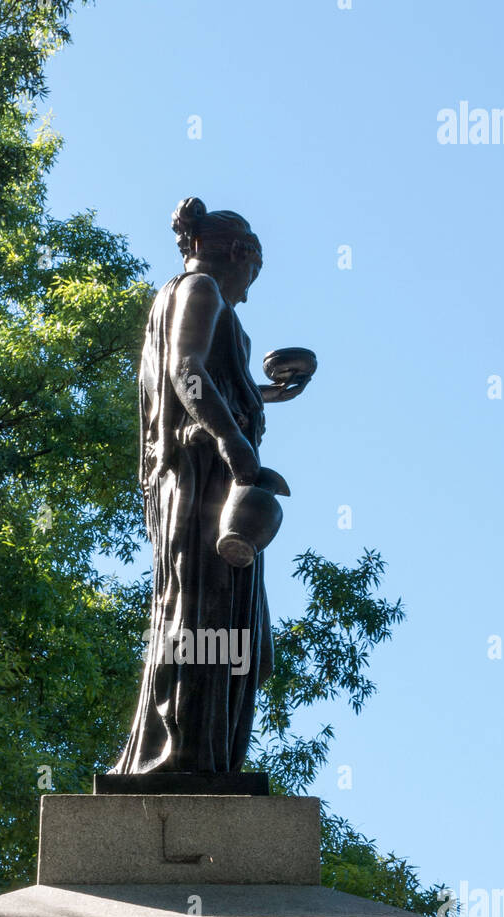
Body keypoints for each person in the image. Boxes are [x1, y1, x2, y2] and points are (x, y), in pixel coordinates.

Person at [111, 197, 310, 776]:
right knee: (203, 619)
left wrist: (270, 394)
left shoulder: (214, 303)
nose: (251, 285)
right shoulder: (199, 291)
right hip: (201, 484)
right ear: (238, 254)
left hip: (218, 485)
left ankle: (207, 755)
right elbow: (187, 371)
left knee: (238, 637)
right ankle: (185, 753)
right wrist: (233, 444)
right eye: (255, 269)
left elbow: (215, 382)